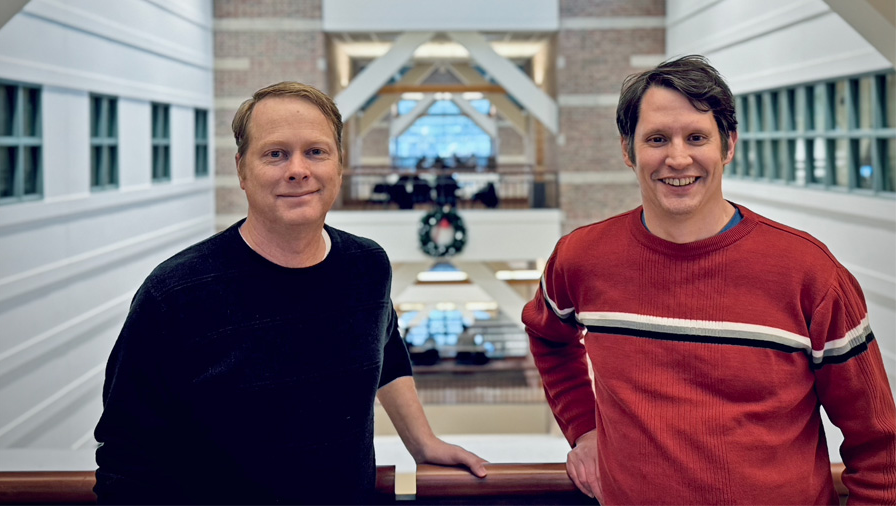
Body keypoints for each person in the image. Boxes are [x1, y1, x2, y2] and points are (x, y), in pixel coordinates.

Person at [522, 55, 896, 505]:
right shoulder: (581, 258)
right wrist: (584, 428)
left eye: (696, 137)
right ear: (628, 150)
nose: (677, 158)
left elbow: (880, 449)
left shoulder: (808, 273)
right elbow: (547, 335)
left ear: (728, 145)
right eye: (657, 139)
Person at [94, 81, 487, 504]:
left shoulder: (367, 265)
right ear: (242, 170)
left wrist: (422, 441)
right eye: (275, 154)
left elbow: (385, 348)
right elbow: (126, 460)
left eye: (315, 152)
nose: (298, 169)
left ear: (338, 165)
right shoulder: (173, 295)